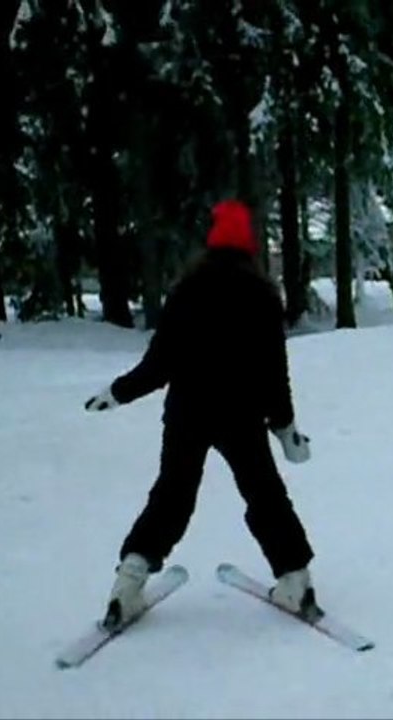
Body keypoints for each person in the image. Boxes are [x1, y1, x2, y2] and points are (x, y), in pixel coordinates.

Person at [84, 199, 316, 628]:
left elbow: (158, 365)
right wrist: (285, 429)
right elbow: (273, 373)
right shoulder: (263, 296)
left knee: (171, 496)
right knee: (264, 494)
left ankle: (129, 580)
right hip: (241, 415)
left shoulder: (186, 291)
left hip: (187, 413)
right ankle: (295, 580)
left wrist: (117, 392)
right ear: (248, 246)